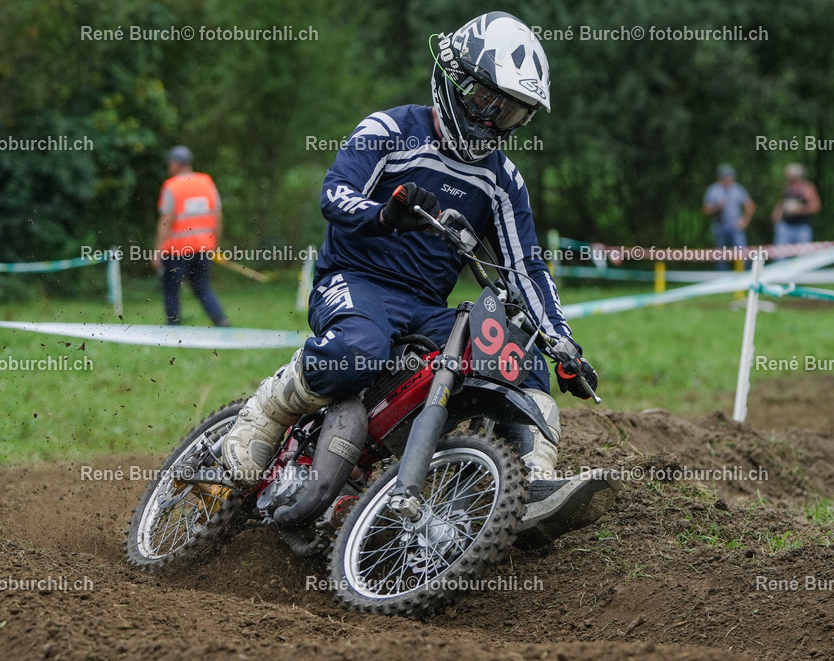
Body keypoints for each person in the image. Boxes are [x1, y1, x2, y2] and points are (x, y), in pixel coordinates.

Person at [222, 12, 619, 547]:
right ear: (454, 80)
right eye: (486, 101)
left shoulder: (500, 179)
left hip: (426, 307)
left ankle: (530, 484)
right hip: (355, 279)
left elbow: (525, 265)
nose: (493, 121)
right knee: (358, 347)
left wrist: (563, 345)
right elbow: (334, 196)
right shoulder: (388, 129)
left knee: (517, 358)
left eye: (512, 112)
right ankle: (265, 412)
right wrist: (385, 215)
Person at [153, 145, 230, 326]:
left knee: (171, 289)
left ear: (176, 164)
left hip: (177, 249)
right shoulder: (206, 182)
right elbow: (217, 214)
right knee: (202, 287)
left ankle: (174, 326)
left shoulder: (172, 186)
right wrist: (215, 243)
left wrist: (158, 249)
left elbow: (167, 219)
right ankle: (220, 319)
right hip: (203, 246)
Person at [702, 164, 755, 270]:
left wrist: (744, 221)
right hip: (719, 226)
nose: (727, 179)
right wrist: (717, 206)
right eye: (724, 176)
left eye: (729, 176)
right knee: (721, 256)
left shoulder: (738, 189)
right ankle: (722, 280)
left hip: (735, 227)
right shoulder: (713, 190)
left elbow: (750, 205)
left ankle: (746, 276)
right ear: (720, 177)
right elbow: (705, 210)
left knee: (742, 253)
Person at [771, 163, 821, 255]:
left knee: (803, 255)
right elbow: (782, 203)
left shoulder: (807, 188)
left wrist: (799, 210)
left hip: (802, 227)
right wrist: (777, 213)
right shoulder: (787, 187)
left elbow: (816, 206)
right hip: (786, 225)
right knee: (779, 253)